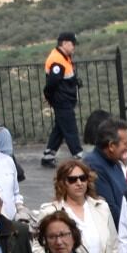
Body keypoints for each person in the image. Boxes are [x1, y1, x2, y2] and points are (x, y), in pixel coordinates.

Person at [40, 32, 83, 167]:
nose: (74, 47)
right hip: (62, 100)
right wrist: (48, 96)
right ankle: (79, 154)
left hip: (64, 99)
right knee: (70, 127)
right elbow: (52, 83)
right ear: (64, 43)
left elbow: (65, 77)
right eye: (72, 44)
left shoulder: (64, 57)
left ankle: (48, 155)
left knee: (60, 127)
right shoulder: (57, 60)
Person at [81, 118, 127, 224]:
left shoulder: (114, 162)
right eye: (126, 144)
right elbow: (109, 209)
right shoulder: (94, 166)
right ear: (111, 146)